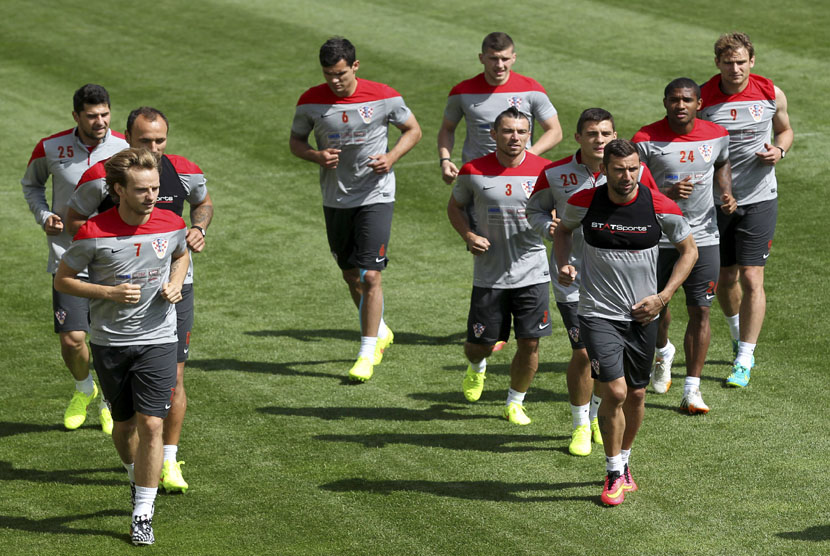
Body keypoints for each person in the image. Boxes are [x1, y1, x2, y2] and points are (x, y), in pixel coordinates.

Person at [66, 106, 213, 493]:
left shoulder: (184, 170)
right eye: (145, 140)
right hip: (120, 295)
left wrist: (198, 227)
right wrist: (112, 256)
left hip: (174, 290)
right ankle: (138, 462)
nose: (154, 146)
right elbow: (75, 219)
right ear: (127, 139)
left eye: (160, 139)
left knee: (175, 379)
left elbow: (204, 202)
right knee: (126, 410)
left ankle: (168, 460)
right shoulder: (101, 176)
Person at [54, 148, 190, 545]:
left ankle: (143, 512)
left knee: (151, 424)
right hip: (112, 342)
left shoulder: (171, 223)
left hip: (158, 339)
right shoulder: (93, 232)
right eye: (142, 190)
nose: (152, 196)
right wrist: (107, 292)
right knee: (125, 425)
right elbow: (64, 280)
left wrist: (177, 282)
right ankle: (136, 478)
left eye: (155, 188)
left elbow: (181, 255)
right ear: (118, 190)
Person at [553, 139, 697, 506]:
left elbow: (689, 251)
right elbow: (563, 231)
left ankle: (626, 461)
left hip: (643, 315)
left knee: (636, 394)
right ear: (604, 170)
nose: (628, 176)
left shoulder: (658, 204)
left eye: (633, 168)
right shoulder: (585, 202)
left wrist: (663, 298)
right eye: (620, 169)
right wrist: (564, 264)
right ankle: (613, 471)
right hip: (598, 313)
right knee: (614, 392)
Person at [289, 37, 422, 382]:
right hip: (336, 199)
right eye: (328, 74)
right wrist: (315, 156)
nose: (335, 80)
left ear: (355, 66)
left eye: (341, 73)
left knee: (370, 274)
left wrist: (391, 157)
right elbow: (296, 142)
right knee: (350, 275)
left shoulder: (383, 96)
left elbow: (413, 130)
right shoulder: (310, 101)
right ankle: (380, 329)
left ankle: (367, 351)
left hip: (375, 195)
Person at [438, 32, 562, 353]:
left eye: (505, 58)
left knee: (518, 242)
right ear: (481, 58)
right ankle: (492, 329)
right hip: (480, 185)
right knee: (487, 249)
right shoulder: (463, 92)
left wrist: (526, 158)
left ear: (514, 58)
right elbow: (448, 128)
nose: (499, 64)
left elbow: (555, 130)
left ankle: (501, 325)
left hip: (520, 180)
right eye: (493, 58)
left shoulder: (531, 89)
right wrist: (445, 158)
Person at [21, 84, 128, 434]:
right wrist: (44, 215)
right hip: (68, 255)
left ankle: (111, 401)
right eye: (92, 116)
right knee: (72, 339)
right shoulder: (51, 147)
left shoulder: (126, 147)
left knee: (111, 339)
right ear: (76, 116)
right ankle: (85, 388)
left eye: (105, 114)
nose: (100, 122)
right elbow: (32, 184)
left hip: (115, 258)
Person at [633, 78, 737, 412]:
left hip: (704, 236)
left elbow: (721, 164)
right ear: (665, 102)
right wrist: (664, 196)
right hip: (657, 238)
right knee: (655, 310)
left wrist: (726, 194)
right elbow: (630, 189)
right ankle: (663, 352)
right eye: (674, 100)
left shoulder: (717, 135)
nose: (680, 105)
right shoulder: (645, 139)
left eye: (687, 100)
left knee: (701, 309)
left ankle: (692, 389)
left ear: (699, 103)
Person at [699, 32, 793, 388]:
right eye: (728, 62)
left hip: (759, 198)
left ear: (751, 61)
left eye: (741, 62)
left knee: (753, 277)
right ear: (718, 63)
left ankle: (745, 357)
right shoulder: (702, 98)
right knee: (726, 278)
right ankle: (738, 334)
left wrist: (779, 151)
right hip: (715, 202)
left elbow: (785, 131)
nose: (735, 68)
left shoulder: (770, 92)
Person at [447, 107, 552, 425]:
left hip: (533, 270)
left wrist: (555, 223)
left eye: (521, 131)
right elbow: (455, 206)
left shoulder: (545, 171)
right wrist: (468, 235)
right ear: (493, 134)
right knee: (477, 346)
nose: (515, 137)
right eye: (507, 131)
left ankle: (514, 402)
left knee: (530, 341)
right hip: (490, 274)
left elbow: (561, 210)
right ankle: (477, 367)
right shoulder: (473, 170)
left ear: (529, 134)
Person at [527, 108, 617, 455]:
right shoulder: (555, 173)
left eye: (605, 134)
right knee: (582, 352)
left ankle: (594, 416)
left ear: (614, 136)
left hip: (615, 280)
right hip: (572, 278)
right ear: (578, 137)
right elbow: (533, 210)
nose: (599, 140)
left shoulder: (627, 171)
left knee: (605, 356)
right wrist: (546, 227)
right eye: (592, 134)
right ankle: (580, 426)